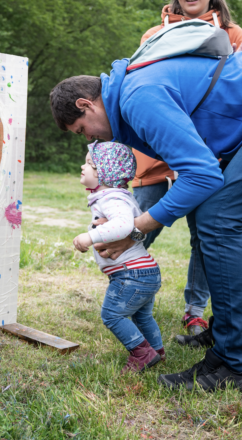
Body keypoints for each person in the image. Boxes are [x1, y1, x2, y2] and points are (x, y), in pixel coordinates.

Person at [49, 50, 242, 391]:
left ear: (87, 104)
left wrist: (135, 229)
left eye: (82, 129)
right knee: (206, 215)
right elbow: (195, 168)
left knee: (218, 218)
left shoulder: (136, 96)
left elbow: (202, 176)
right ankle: (223, 340)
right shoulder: (130, 95)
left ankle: (234, 367)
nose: (90, 139)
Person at [133, 0, 242, 340]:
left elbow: (238, 91)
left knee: (204, 231)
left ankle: (195, 312)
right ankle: (132, 298)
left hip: (211, 150)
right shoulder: (153, 35)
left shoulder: (233, 35)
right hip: (155, 149)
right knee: (140, 226)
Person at [72, 141, 164, 373]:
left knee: (112, 314)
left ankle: (142, 353)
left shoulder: (111, 199)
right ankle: (157, 351)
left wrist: (90, 237)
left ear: (106, 173)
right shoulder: (118, 196)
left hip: (130, 274)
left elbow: (124, 225)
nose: (83, 167)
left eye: (90, 164)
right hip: (144, 272)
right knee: (142, 317)